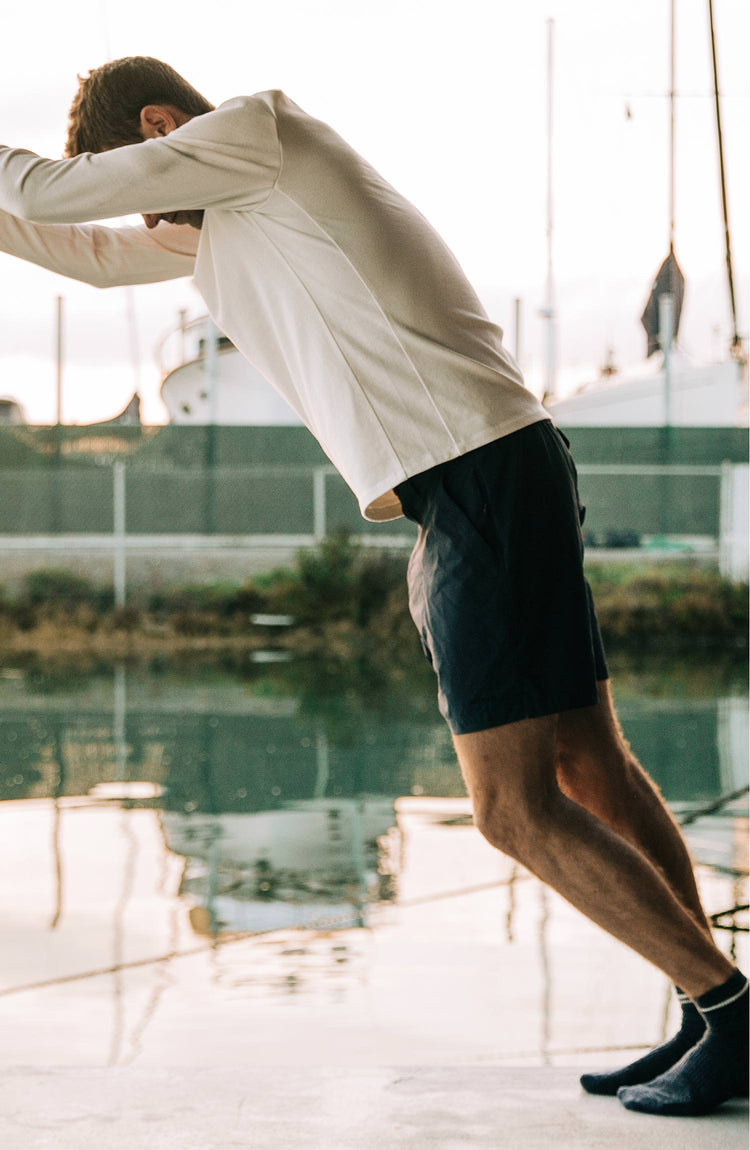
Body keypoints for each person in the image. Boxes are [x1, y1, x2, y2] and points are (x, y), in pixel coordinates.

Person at [0, 56, 746, 1117]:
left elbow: (45, 193)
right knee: (590, 763)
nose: (149, 206)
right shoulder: (233, 209)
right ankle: (704, 1006)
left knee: (511, 809)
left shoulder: (258, 133)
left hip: (479, 471)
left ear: (162, 127)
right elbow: (88, 253)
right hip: (487, 470)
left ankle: (730, 1010)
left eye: (139, 173)